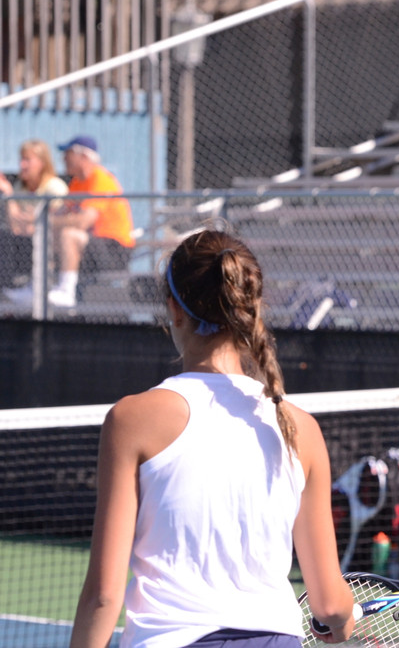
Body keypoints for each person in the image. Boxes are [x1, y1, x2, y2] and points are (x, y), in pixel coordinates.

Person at [69, 228, 356, 647]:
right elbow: (330, 604)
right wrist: (343, 621)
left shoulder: (131, 419)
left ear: (174, 310)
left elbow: (102, 596)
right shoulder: (302, 429)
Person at [48, 135, 135, 308]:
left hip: (114, 249)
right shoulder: (77, 183)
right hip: (92, 245)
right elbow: (60, 213)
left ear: (84, 156)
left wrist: (50, 222)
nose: (63, 159)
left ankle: (66, 291)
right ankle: (40, 285)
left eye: (68, 154)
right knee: (50, 233)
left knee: (69, 234)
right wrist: (40, 220)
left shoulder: (100, 179)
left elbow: (83, 222)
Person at [0, 139, 68, 296]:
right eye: (21, 159)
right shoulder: (20, 188)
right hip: (22, 245)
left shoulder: (54, 187)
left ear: (42, 163)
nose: (22, 165)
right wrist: (9, 195)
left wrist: (30, 220)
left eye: (27, 160)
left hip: (48, 247)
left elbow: (53, 225)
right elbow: (15, 226)